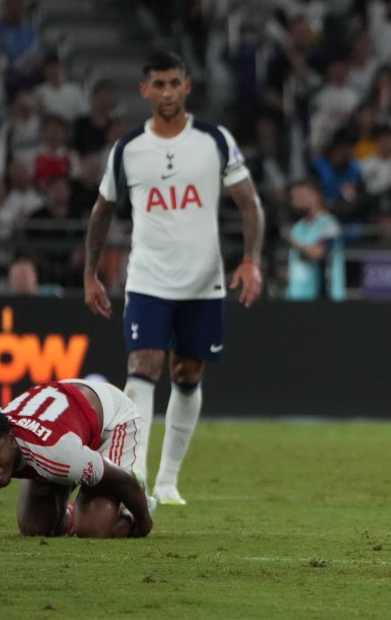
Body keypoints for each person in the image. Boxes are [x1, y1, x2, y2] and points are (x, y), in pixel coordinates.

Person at [82, 51, 265, 506]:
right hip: (147, 280)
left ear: (186, 86)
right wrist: (90, 273)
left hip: (203, 283)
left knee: (187, 373)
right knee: (143, 367)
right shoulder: (128, 149)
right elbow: (102, 209)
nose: (167, 92)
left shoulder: (214, 139)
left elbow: (249, 203)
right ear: (144, 90)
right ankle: (136, 474)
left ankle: (168, 479)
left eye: (174, 83)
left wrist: (251, 260)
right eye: (158, 84)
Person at [0, 379, 153, 538]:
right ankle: (76, 513)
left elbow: (121, 478)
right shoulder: (2, 437)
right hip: (63, 416)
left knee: (93, 529)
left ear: (11, 440)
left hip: (110, 417)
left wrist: (144, 523)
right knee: (34, 527)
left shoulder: (55, 453)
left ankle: (138, 504)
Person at [282, 178, 341, 301]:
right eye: (294, 196)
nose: (296, 200)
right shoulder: (297, 227)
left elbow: (317, 254)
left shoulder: (329, 225)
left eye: (301, 195)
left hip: (321, 297)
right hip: (295, 296)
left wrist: (292, 240)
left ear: (315, 195)